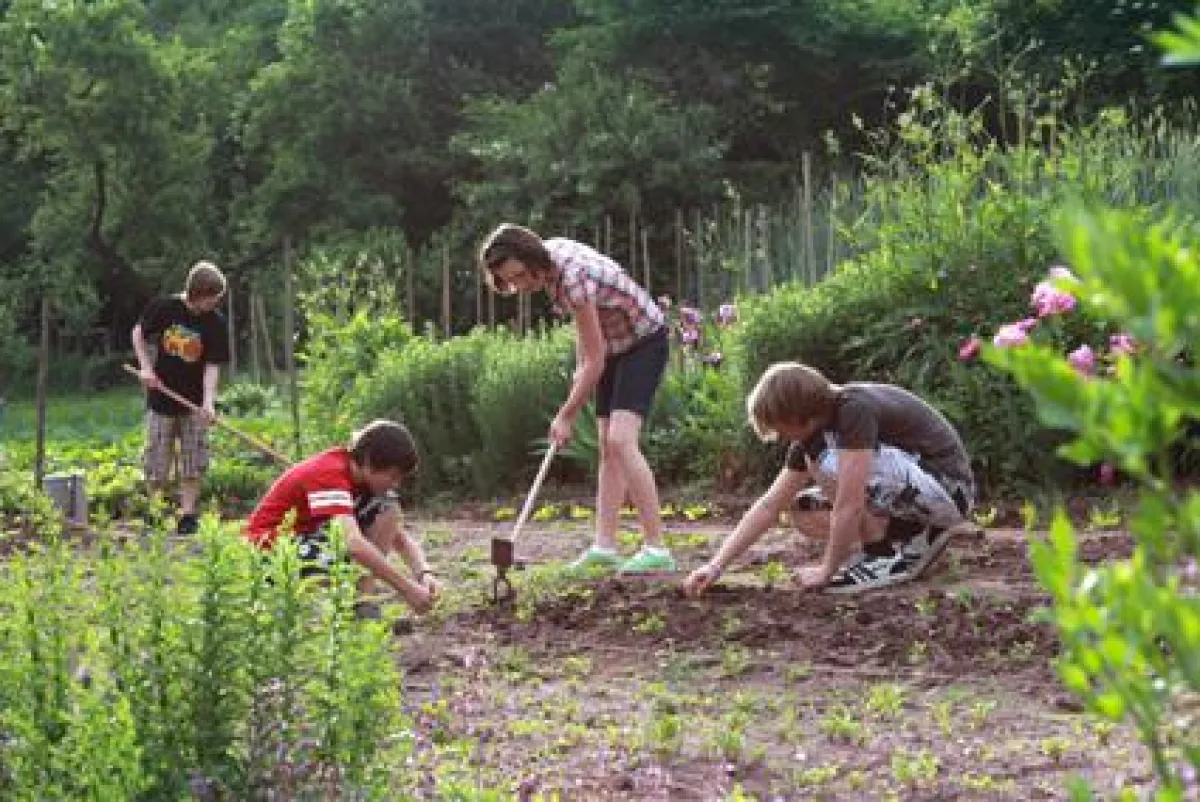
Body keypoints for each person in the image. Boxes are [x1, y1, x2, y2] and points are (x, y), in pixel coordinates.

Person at [477, 224, 675, 575]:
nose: (522, 286)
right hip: (614, 346)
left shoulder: (570, 277)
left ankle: (657, 547)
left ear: (531, 256)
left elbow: (595, 360)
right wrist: (582, 372)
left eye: (521, 276)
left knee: (621, 439)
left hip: (644, 340)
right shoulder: (549, 262)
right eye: (512, 281)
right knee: (606, 444)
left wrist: (566, 414)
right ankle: (605, 547)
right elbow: (591, 342)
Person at [684, 362, 977, 596]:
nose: (782, 436)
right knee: (803, 509)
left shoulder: (853, 411)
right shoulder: (816, 436)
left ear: (801, 416)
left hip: (949, 489)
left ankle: (881, 554)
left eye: (782, 427)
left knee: (827, 463)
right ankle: (915, 538)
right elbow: (769, 506)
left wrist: (827, 570)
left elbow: (849, 504)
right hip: (916, 491)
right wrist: (715, 565)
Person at [245, 419, 437, 614]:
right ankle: (338, 610)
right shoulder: (329, 473)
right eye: (393, 476)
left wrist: (423, 573)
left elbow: (399, 537)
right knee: (352, 553)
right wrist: (407, 589)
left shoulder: (363, 482)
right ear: (370, 462)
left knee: (388, 509)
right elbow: (353, 544)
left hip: (303, 539)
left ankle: (363, 604)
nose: (396, 484)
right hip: (268, 552)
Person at [132, 261, 231, 535]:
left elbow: (212, 365)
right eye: (212, 297)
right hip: (161, 399)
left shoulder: (215, 323)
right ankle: (154, 510)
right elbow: (138, 333)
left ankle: (188, 514)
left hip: (194, 405)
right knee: (156, 457)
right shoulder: (164, 308)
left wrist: (209, 401)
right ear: (198, 292)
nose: (215, 302)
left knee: (193, 459)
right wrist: (146, 368)